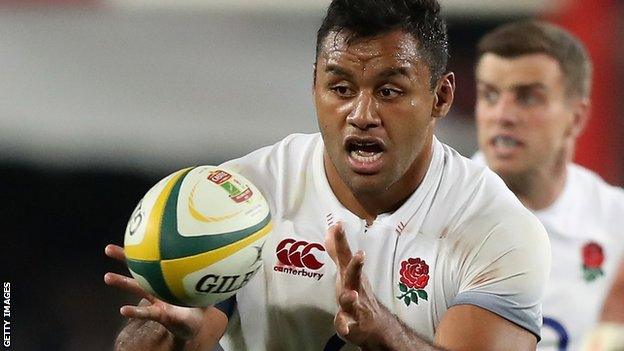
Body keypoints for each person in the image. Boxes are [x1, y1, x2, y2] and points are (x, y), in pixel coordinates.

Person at [105, 1, 551, 350]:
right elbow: (169, 339)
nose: (361, 114)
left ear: (441, 97)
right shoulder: (245, 196)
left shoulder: (499, 229)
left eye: (390, 91)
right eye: (340, 89)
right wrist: (173, 332)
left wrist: (386, 336)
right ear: (314, 86)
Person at [473, 20, 624, 351]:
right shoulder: (431, 209)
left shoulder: (616, 221)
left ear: (577, 117)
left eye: (527, 98)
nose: (502, 115)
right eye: (490, 95)